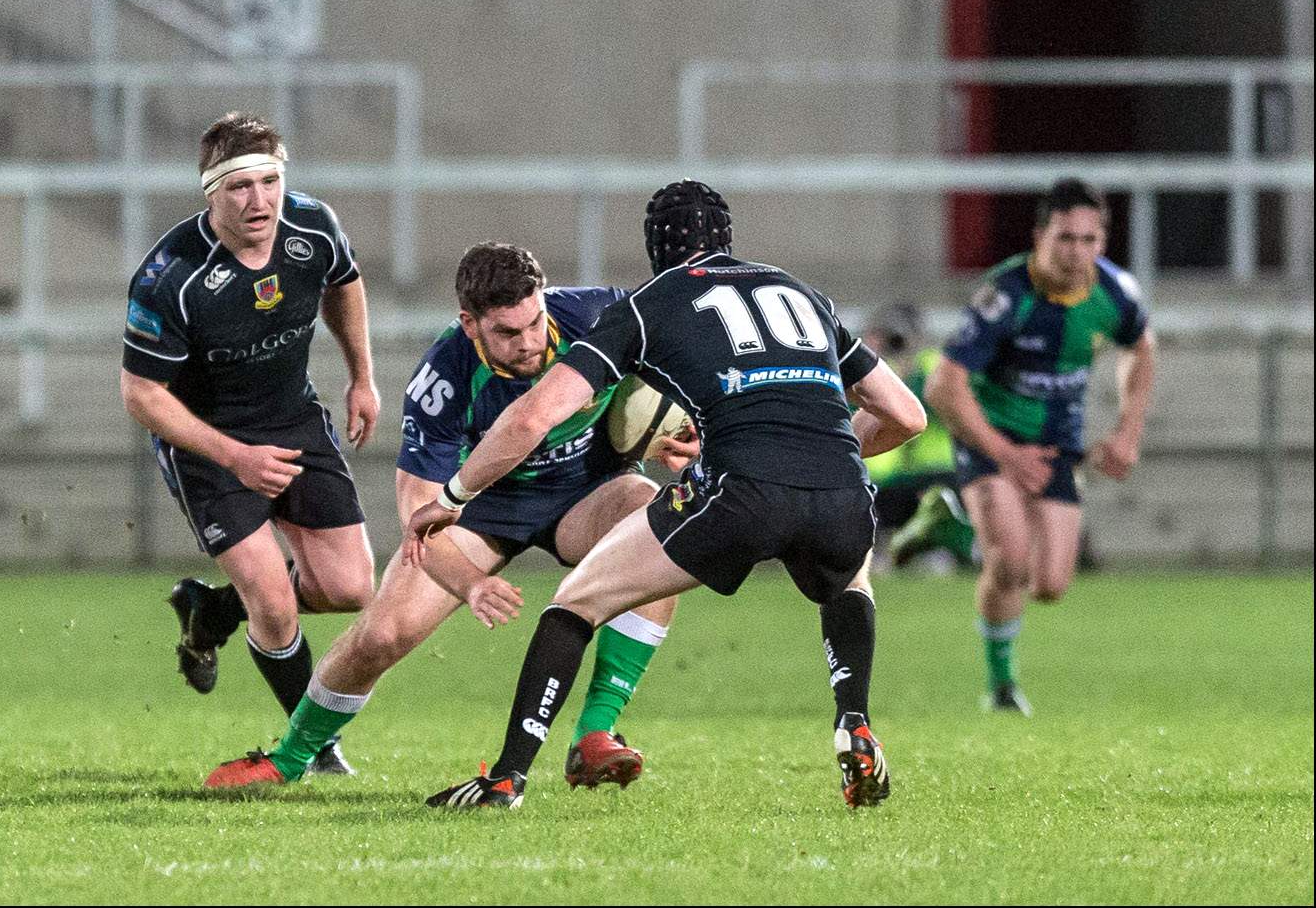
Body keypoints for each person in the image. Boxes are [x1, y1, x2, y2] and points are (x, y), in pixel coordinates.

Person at [406, 180, 926, 810]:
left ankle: (506, 779)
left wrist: (453, 497)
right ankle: (855, 723)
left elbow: (530, 418)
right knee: (846, 579)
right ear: (727, 237)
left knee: (575, 603)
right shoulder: (802, 293)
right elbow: (907, 416)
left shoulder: (650, 304)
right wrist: (814, 457)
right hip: (841, 489)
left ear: (655, 246)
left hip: (740, 493)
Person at [203, 242, 698, 790]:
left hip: (586, 493)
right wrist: (471, 585)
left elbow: (697, 359)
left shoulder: (598, 313)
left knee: (658, 525)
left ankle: (596, 733)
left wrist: (685, 431)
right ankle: (289, 759)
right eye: (507, 333)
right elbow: (420, 518)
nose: (530, 343)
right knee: (382, 635)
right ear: (470, 324)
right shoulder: (441, 383)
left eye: (535, 322)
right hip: (477, 514)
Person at [120, 112, 380, 774]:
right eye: (239, 186)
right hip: (207, 446)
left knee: (350, 586)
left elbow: (345, 283)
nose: (258, 200)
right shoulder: (171, 276)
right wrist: (235, 457)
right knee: (274, 600)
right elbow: (143, 395)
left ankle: (211, 609)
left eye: (269, 181)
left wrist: (362, 376)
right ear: (212, 193)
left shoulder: (313, 226)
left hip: (293, 421)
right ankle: (317, 750)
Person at [924, 177, 1156, 716]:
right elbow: (943, 386)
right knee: (1009, 562)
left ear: (1103, 241)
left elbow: (1142, 349)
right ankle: (1002, 687)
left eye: (1089, 239)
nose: (1077, 252)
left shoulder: (1116, 292)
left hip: (1055, 443)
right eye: (1064, 238)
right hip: (991, 437)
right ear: (1039, 237)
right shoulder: (1006, 295)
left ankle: (952, 527)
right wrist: (1006, 455)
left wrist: (1127, 432)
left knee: (1050, 584)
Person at [857, 303, 976, 570]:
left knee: (938, 502)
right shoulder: (880, 369)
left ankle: (940, 549)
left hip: (939, 467)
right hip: (899, 472)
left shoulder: (932, 363)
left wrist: (906, 376)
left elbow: (933, 403)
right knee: (879, 497)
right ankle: (889, 550)